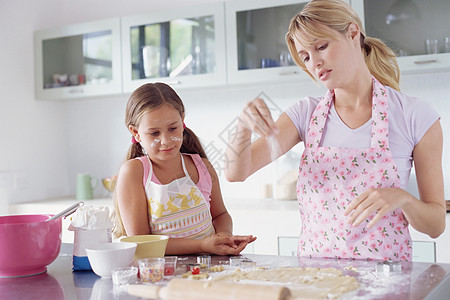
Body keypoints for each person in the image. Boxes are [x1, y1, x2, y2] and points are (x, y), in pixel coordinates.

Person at [225, 0, 445, 261]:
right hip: (318, 281)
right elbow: (235, 173)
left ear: (353, 33)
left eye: (321, 47)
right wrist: (242, 127)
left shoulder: (415, 116)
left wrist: (403, 199)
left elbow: (436, 226)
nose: (315, 62)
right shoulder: (305, 114)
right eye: (306, 56)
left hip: (387, 284)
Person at [113, 82, 255, 255]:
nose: (165, 140)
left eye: (173, 128)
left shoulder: (201, 166)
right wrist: (202, 245)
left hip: (208, 270)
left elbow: (221, 215)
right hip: (162, 275)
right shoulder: (135, 172)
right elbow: (143, 243)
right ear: (136, 133)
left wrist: (224, 237)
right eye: (154, 133)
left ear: (182, 121)